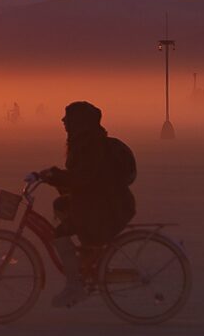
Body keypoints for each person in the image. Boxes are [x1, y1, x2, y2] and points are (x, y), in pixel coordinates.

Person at [36, 101, 137, 306]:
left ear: (79, 123)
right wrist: (54, 177)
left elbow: (81, 179)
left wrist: (54, 176)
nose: (63, 121)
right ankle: (88, 254)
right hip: (101, 204)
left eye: (68, 118)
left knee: (61, 233)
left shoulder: (91, 148)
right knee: (62, 205)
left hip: (107, 210)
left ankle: (75, 287)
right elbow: (81, 182)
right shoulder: (87, 144)